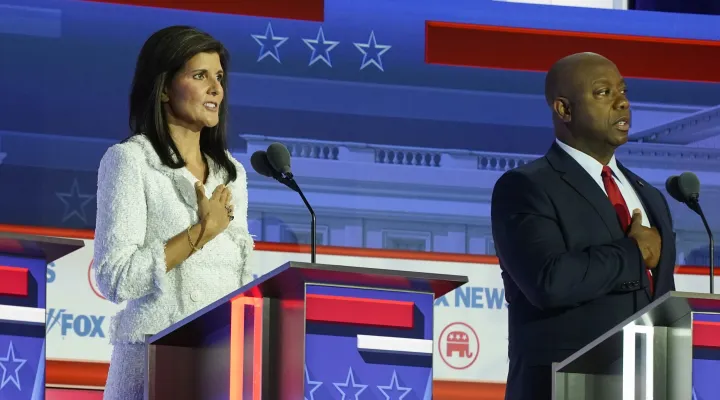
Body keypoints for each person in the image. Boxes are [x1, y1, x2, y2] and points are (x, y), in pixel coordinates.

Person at [491, 52, 676, 400]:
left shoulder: (649, 196)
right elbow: (548, 281)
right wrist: (633, 252)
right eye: (604, 93)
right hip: (562, 387)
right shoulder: (526, 187)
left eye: (623, 91)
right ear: (564, 110)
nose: (622, 102)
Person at [93, 26, 255, 400]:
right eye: (200, 76)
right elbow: (115, 278)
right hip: (154, 362)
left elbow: (237, 278)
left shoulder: (231, 174)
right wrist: (200, 233)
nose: (216, 89)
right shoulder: (131, 161)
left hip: (221, 368)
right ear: (164, 87)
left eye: (219, 77)